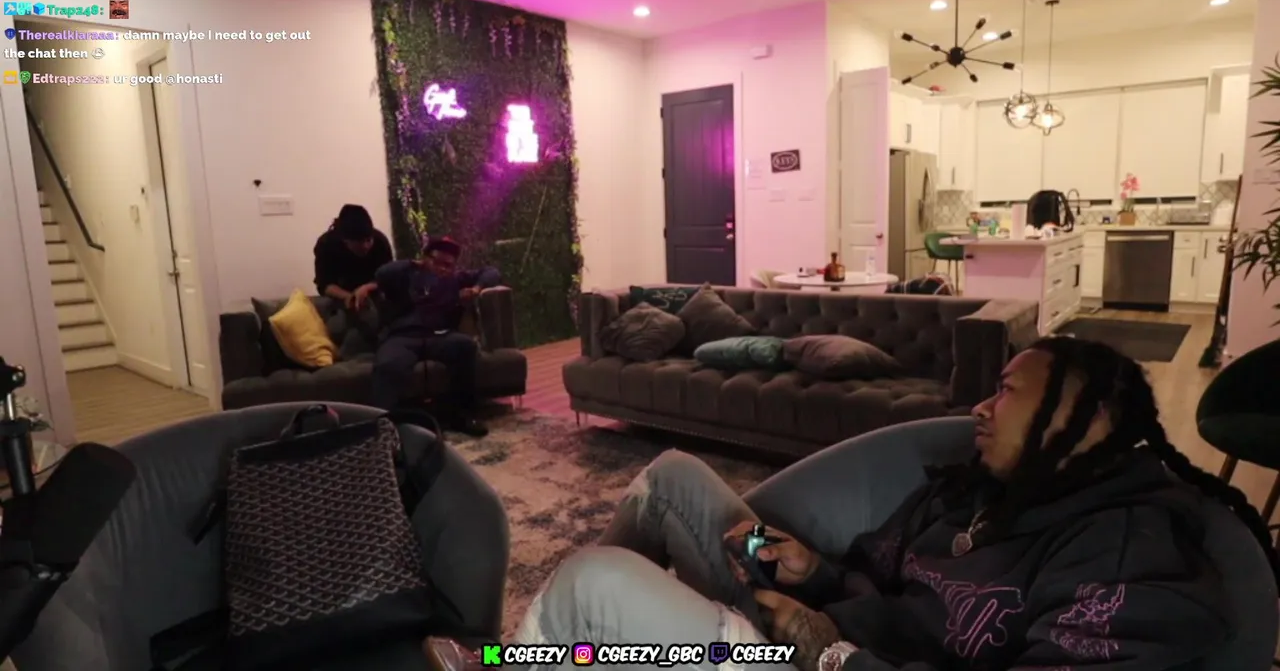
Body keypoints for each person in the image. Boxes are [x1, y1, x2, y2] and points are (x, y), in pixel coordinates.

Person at [426, 336, 1280, 671]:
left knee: (595, 579)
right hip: (808, 635)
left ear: (1082, 420)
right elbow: (889, 587)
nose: (981, 408)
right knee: (672, 476)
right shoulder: (976, 490)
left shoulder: (1131, 556)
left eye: (1008, 391)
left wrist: (830, 654)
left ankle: (532, 658)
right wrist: (814, 575)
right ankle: (594, 656)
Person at [370, 235, 498, 437]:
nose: (443, 269)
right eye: (437, 262)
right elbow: (381, 274)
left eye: (448, 265)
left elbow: (491, 272)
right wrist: (413, 264)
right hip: (403, 337)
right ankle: (384, 428)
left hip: (439, 336)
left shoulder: (455, 279)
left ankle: (462, 415)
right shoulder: (406, 274)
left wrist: (476, 288)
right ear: (425, 259)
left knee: (465, 346)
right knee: (388, 365)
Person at [313, 204, 394, 311]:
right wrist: (350, 297)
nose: (365, 246)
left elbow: (389, 277)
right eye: (359, 242)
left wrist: (367, 288)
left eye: (368, 240)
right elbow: (324, 284)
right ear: (345, 241)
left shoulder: (380, 241)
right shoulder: (326, 244)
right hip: (340, 297)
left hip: (375, 294)